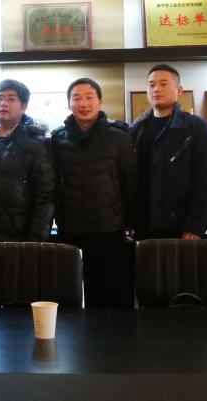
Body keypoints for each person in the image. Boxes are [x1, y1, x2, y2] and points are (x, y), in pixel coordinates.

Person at [49, 78, 138, 307]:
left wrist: (123, 218)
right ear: (69, 104)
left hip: (109, 231)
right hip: (70, 231)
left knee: (108, 297)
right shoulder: (58, 139)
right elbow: (52, 182)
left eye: (89, 97)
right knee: (69, 296)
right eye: (76, 98)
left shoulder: (119, 136)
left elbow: (131, 182)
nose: (83, 103)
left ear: (100, 101)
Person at [130, 64, 207, 240]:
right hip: (142, 223)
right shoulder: (137, 128)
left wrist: (196, 225)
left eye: (163, 84)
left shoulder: (196, 127)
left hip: (179, 225)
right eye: (151, 85)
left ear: (179, 90)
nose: (156, 89)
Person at [0, 79, 54, 242]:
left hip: (17, 238)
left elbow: (45, 197)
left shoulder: (37, 144)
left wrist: (35, 241)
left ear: (24, 106)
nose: (3, 103)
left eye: (11, 99)